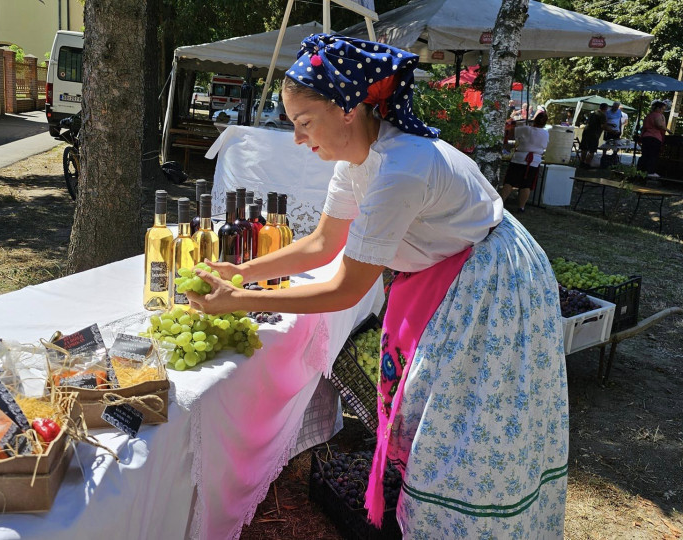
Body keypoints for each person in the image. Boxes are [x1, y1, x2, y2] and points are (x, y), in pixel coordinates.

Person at [187, 33, 568, 538]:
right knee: (432, 417)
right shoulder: (357, 160)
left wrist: (240, 300)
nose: (298, 139)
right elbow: (323, 243)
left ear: (348, 108)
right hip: (443, 277)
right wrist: (242, 273)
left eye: (304, 124)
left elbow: (345, 287)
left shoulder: (401, 168)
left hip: (488, 285)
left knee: (468, 427)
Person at [500, 110, 550, 213]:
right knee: (526, 185)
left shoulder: (526, 129)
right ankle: (521, 207)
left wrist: (521, 124)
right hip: (533, 161)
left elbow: (511, 133)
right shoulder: (545, 133)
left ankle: (501, 202)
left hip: (520, 158)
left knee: (510, 181)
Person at [637, 100, 670, 177]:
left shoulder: (649, 115)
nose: (663, 111)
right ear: (658, 108)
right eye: (662, 109)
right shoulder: (658, 115)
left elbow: (644, 128)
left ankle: (641, 170)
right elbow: (659, 125)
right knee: (653, 155)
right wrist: (668, 130)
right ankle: (650, 172)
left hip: (646, 136)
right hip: (655, 137)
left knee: (645, 154)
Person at [579, 103, 607, 168]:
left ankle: (582, 163)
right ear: (605, 108)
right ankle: (587, 164)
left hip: (586, 131)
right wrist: (611, 130)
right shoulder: (602, 115)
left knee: (584, 148)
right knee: (592, 150)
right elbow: (603, 126)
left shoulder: (593, 113)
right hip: (594, 134)